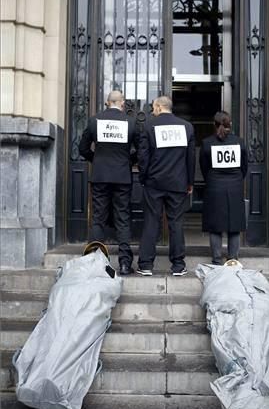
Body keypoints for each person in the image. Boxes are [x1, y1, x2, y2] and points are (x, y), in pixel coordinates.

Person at [79, 90, 136, 275]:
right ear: (122, 103)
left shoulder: (94, 121)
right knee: (123, 219)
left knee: (98, 218)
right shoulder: (130, 122)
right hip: (122, 176)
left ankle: (94, 260)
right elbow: (140, 151)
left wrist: (96, 159)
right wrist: (128, 161)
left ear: (107, 102)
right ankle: (125, 263)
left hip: (100, 176)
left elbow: (82, 148)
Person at [137, 95, 195, 276]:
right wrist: (190, 182)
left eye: (154, 107)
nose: (152, 110)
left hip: (154, 182)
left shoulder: (149, 126)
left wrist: (143, 177)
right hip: (178, 183)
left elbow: (143, 156)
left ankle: (146, 265)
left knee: (151, 222)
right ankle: (178, 265)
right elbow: (190, 158)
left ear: (160, 107)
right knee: (176, 223)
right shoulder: (187, 127)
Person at [199, 111, 248, 264]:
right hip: (235, 186)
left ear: (214, 125)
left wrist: (212, 179)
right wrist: (237, 179)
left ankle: (216, 259)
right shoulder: (239, 142)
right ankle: (232, 259)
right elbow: (244, 167)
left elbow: (204, 167)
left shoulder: (207, 143)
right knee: (234, 225)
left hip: (214, 186)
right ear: (230, 124)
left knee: (215, 225)